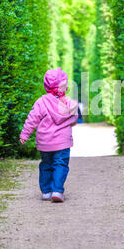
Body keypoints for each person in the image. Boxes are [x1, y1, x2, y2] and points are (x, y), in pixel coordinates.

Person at [20, 67, 78, 203]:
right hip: (62, 142)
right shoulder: (69, 103)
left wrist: (25, 134)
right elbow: (74, 119)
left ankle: (46, 191)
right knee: (60, 164)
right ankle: (57, 190)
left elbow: (32, 119)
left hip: (45, 141)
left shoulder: (41, 102)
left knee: (46, 164)